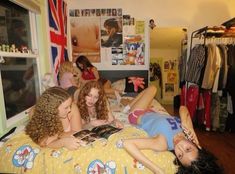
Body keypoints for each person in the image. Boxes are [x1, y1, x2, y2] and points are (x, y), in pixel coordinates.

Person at [122, 85, 222, 174]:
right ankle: (127, 103)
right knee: (148, 93)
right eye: (188, 149)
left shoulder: (162, 143)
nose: (179, 147)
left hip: (137, 114)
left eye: (180, 155)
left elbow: (127, 144)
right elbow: (183, 108)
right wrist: (187, 124)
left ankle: (128, 107)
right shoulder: (188, 133)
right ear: (197, 147)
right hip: (152, 112)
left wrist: (156, 170)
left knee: (152, 88)